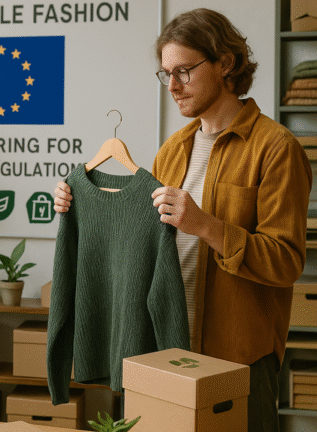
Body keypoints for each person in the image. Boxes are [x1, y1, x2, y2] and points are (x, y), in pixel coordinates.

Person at [53, 9, 311, 432]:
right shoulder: (172, 150)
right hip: (167, 354)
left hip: (238, 360)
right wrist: (73, 203)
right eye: (165, 74)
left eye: (184, 72)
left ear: (226, 64)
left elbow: (286, 262)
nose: (172, 86)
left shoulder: (276, 148)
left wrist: (206, 226)